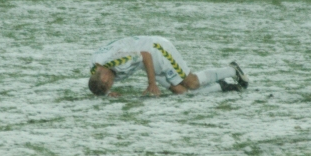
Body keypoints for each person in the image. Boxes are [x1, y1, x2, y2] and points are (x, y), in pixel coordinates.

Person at [89, 36, 249, 97]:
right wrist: (109, 93)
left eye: (109, 84)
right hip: (146, 63)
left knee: (191, 82)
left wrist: (152, 83)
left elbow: (145, 55)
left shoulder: (118, 60)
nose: (112, 83)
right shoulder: (95, 68)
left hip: (157, 50)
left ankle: (233, 70)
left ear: (104, 76)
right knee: (181, 92)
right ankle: (221, 86)